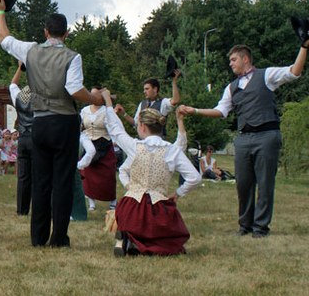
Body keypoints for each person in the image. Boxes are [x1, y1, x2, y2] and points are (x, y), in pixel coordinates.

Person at [0, 0, 102, 247]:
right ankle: (58, 238)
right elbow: (75, 90)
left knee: (41, 180)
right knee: (62, 181)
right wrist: (94, 97)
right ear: (66, 33)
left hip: (39, 123)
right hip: (64, 122)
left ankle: (38, 237)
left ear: (45, 31)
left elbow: (4, 40)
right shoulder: (73, 57)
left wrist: (0, 13)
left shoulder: (31, 50)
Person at [179, 43, 306, 238]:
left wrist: (304, 46)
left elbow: (294, 71)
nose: (230, 64)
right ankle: (245, 226)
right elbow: (221, 111)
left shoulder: (267, 75)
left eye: (233, 60)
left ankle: (261, 228)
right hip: (244, 138)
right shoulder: (231, 88)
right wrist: (194, 110)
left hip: (267, 135)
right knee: (243, 184)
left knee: (264, 183)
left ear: (245, 59)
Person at [100, 89, 201, 256]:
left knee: (125, 211)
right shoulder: (171, 150)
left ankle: (128, 237)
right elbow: (195, 178)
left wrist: (108, 104)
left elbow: (116, 130)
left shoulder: (134, 146)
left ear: (141, 126)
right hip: (158, 209)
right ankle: (139, 241)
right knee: (163, 235)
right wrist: (177, 193)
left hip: (132, 207)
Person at [78, 87, 118, 211]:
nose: (92, 97)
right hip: (89, 143)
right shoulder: (85, 110)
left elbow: (113, 127)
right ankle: (91, 202)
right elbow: (81, 125)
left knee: (107, 175)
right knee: (88, 174)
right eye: (91, 94)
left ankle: (112, 200)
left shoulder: (107, 111)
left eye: (95, 95)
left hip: (104, 144)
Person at [115, 73, 180, 134]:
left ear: (155, 89)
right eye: (144, 89)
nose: (144, 91)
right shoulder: (142, 104)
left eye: (147, 89)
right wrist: (124, 113)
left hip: (158, 142)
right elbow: (135, 123)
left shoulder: (163, 103)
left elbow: (175, 100)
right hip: (144, 141)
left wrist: (174, 82)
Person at [9, 61, 33, 216]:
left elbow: (12, 84)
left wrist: (20, 67)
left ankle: (22, 211)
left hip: (22, 138)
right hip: (38, 137)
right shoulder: (43, 94)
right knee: (40, 175)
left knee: (23, 177)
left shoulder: (19, 95)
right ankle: (39, 208)